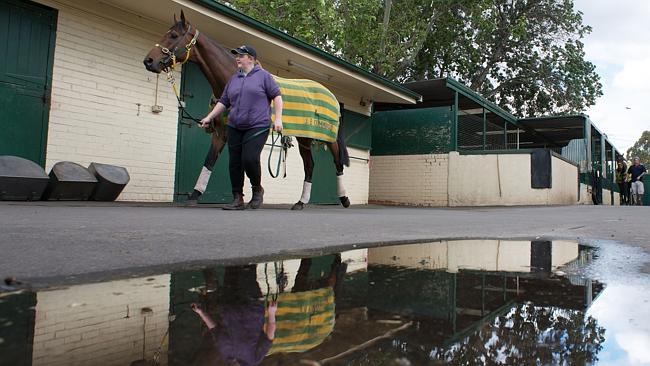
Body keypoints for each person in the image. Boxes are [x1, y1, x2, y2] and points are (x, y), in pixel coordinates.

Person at [200, 45, 283, 210]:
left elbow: (277, 97)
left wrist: (278, 119)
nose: (237, 58)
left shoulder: (264, 76)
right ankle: (237, 198)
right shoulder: (234, 79)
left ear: (251, 58)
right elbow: (224, 102)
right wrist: (209, 117)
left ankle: (257, 190)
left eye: (241, 55)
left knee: (250, 159)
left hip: (257, 125)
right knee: (235, 163)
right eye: (236, 55)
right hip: (235, 125)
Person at [191, 265, 278, 366]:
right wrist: (272, 313)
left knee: (231, 268)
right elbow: (269, 338)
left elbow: (214, 329)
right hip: (251, 305)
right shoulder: (253, 360)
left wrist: (201, 312)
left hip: (228, 302)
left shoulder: (226, 354)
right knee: (247, 267)